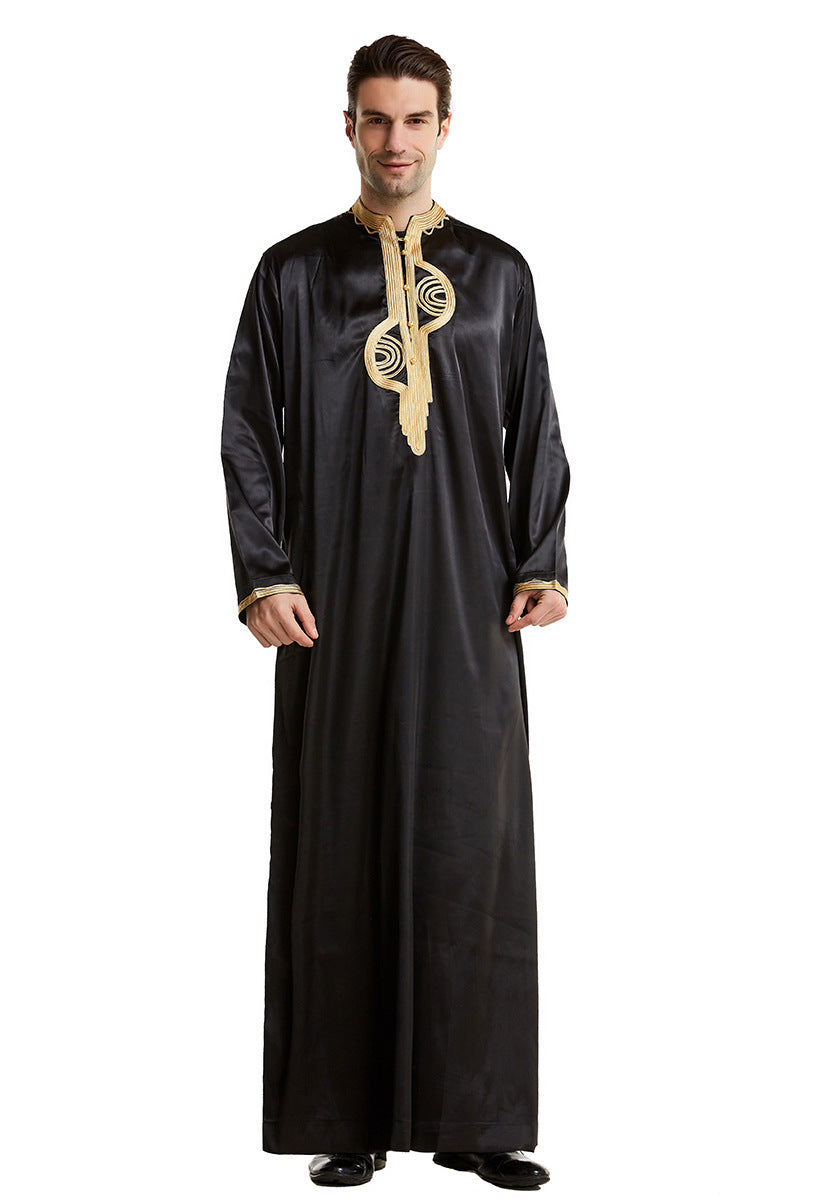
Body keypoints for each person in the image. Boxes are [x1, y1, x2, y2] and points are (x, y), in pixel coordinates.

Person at [220, 33, 569, 1190]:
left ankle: (474, 1119)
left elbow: (536, 422)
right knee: (342, 836)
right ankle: (349, 1115)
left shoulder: (499, 273)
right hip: (337, 593)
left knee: (470, 843)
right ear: (349, 127)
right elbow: (248, 430)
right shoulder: (295, 274)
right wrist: (266, 573)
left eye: (415, 119)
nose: (395, 141)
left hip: (471, 595)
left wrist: (542, 557)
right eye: (376, 119)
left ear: (445, 127)